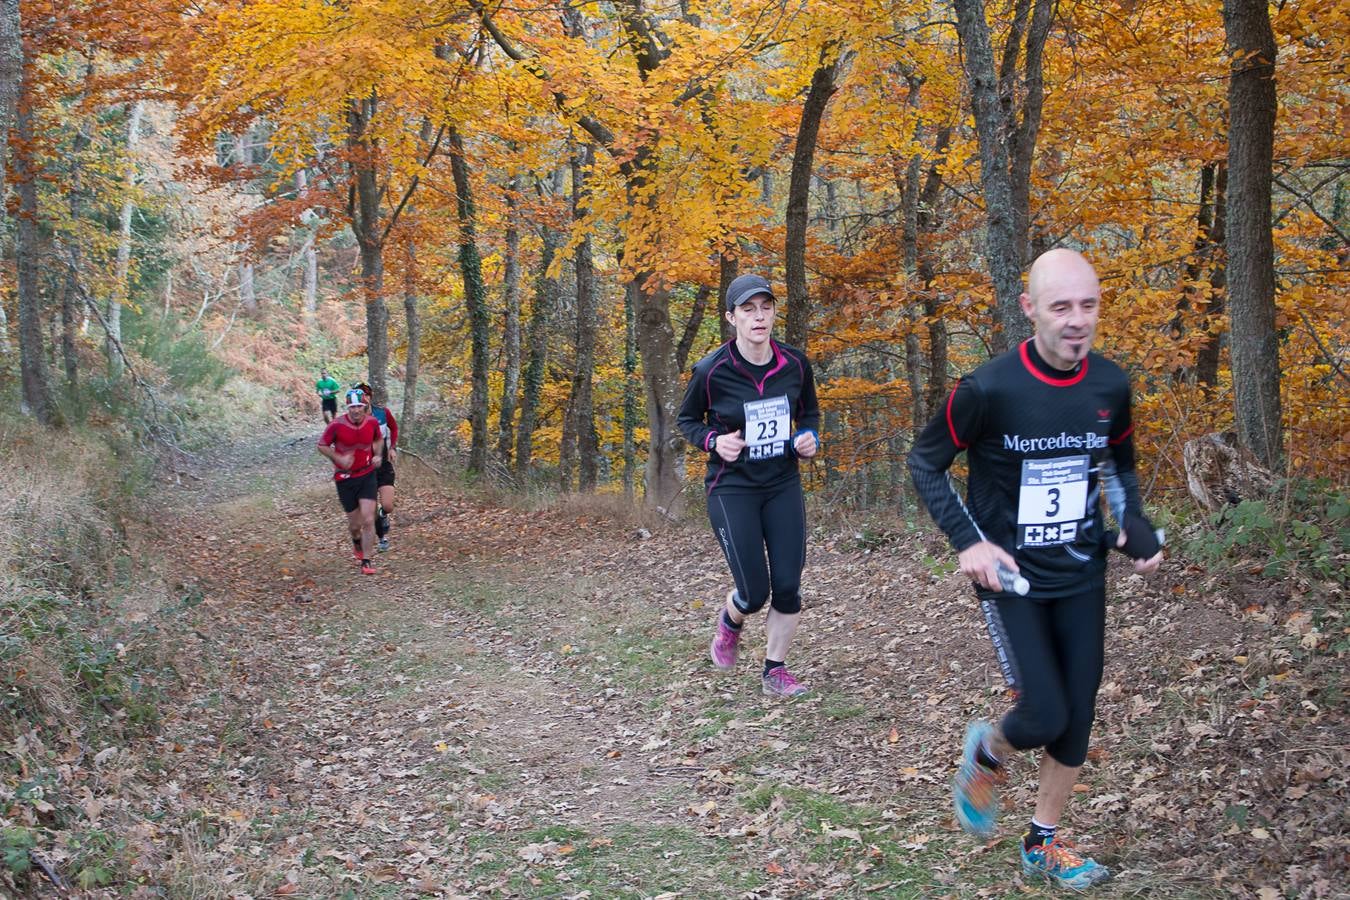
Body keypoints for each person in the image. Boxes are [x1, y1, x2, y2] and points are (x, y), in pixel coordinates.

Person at [907, 249, 1163, 890]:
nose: (1077, 321)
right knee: (1044, 715)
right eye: (1061, 307)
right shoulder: (988, 389)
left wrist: (1131, 521)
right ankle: (990, 748)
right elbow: (923, 462)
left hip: (1081, 571)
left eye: (1088, 305)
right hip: (1011, 579)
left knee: (1076, 716)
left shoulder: (1109, 384)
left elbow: (1117, 464)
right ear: (1030, 310)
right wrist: (968, 542)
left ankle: (1042, 842)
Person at [677, 273, 820, 699]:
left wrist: (807, 438)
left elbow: (809, 414)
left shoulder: (794, 363)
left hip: (781, 482)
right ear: (732, 318)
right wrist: (713, 440)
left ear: (774, 313)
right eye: (748, 309)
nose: (759, 317)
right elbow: (687, 421)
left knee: (789, 584)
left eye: (766, 308)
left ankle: (775, 670)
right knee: (755, 591)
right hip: (732, 486)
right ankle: (731, 619)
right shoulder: (711, 370)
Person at [317, 388, 383, 574]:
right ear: (347, 408)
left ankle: (367, 561)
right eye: (352, 407)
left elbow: (378, 440)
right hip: (345, 478)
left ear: (365, 406)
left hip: (367, 474)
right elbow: (322, 446)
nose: (355, 410)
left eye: (359, 406)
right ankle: (356, 542)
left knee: (369, 519)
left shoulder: (372, 422)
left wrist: (377, 455)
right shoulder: (336, 425)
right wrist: (339, 458)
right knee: (355, 526)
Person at [354, 382, 398, 552]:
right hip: (365, 469)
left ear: (370, 396)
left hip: (384, 465)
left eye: (365, 394)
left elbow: (393, 428)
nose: (363, 398)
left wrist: (392, 447)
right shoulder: (354, 419)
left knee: (387, 506)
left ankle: (383, 514)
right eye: (359, 395)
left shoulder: (383, 413)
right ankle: (382, 539)